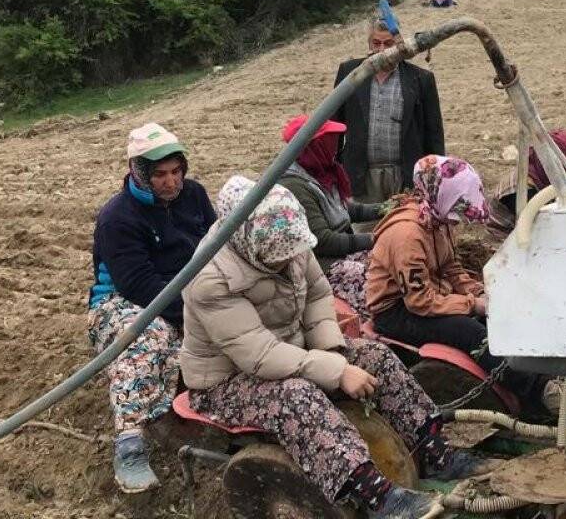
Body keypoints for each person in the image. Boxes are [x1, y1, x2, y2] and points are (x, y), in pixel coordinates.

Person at [181, 177, 494, 519]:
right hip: (227, 380)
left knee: (375, 356)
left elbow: (317, 294)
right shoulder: (209, 279)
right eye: (276, 262)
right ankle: (375, 495)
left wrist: (330, 349)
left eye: (291, 257)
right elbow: (257, 355)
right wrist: (336, 370)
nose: (287, 264)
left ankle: (434, 452)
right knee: (296, 397)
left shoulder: (291, 246)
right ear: (245, 242)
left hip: (292, 352)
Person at [366, 155, 566, 413]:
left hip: (427, 297)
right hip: (397, 311)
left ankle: (550, 373)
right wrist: (473, 305)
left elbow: (451, 268)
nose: (460, 218)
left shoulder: (438, 220)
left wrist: (483, 294)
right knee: (470, 331)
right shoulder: (406, 235)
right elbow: (419, 301)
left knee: (500, 316)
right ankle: (541, 391)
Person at [88, 122, 216, 493]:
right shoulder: (118, 217)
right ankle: (129, 443)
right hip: (124, 303)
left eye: (176, 171)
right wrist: (200, 312)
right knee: (150, 336)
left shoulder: (194, 197)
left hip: (184, 293)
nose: (171, 182)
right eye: (159, 174)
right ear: (138, 172)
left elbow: (216, 244)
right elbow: (140, 287)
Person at [334, 12, 445, 232]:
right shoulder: (350, 73)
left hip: (404, 174)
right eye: (376, 43)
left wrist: (435, 177)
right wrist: (331, 169)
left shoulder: (421, 79)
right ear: (369, 43)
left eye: (388, 44)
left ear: (399, 44)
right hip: (361, 174)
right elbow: (335, 124)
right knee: (364, 236)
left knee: (405, 232)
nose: (382, 50)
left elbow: (434, 134)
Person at [277, 114, 387, 315]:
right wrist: (376, 239)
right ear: (315, 146)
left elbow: (345, 210)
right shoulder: (295, 186)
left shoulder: (322, 172)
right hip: (323, 264)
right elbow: (323, 240)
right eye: (331, 142)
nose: (336, 147)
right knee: (379, 283)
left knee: (390, 262)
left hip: (342, 252)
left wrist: (386, 209)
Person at [486, 128, 566, 241]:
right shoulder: (521, 190)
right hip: (506, 241)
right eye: (565, 168)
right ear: (546, 161)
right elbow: (540, 228)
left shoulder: (545, 177)